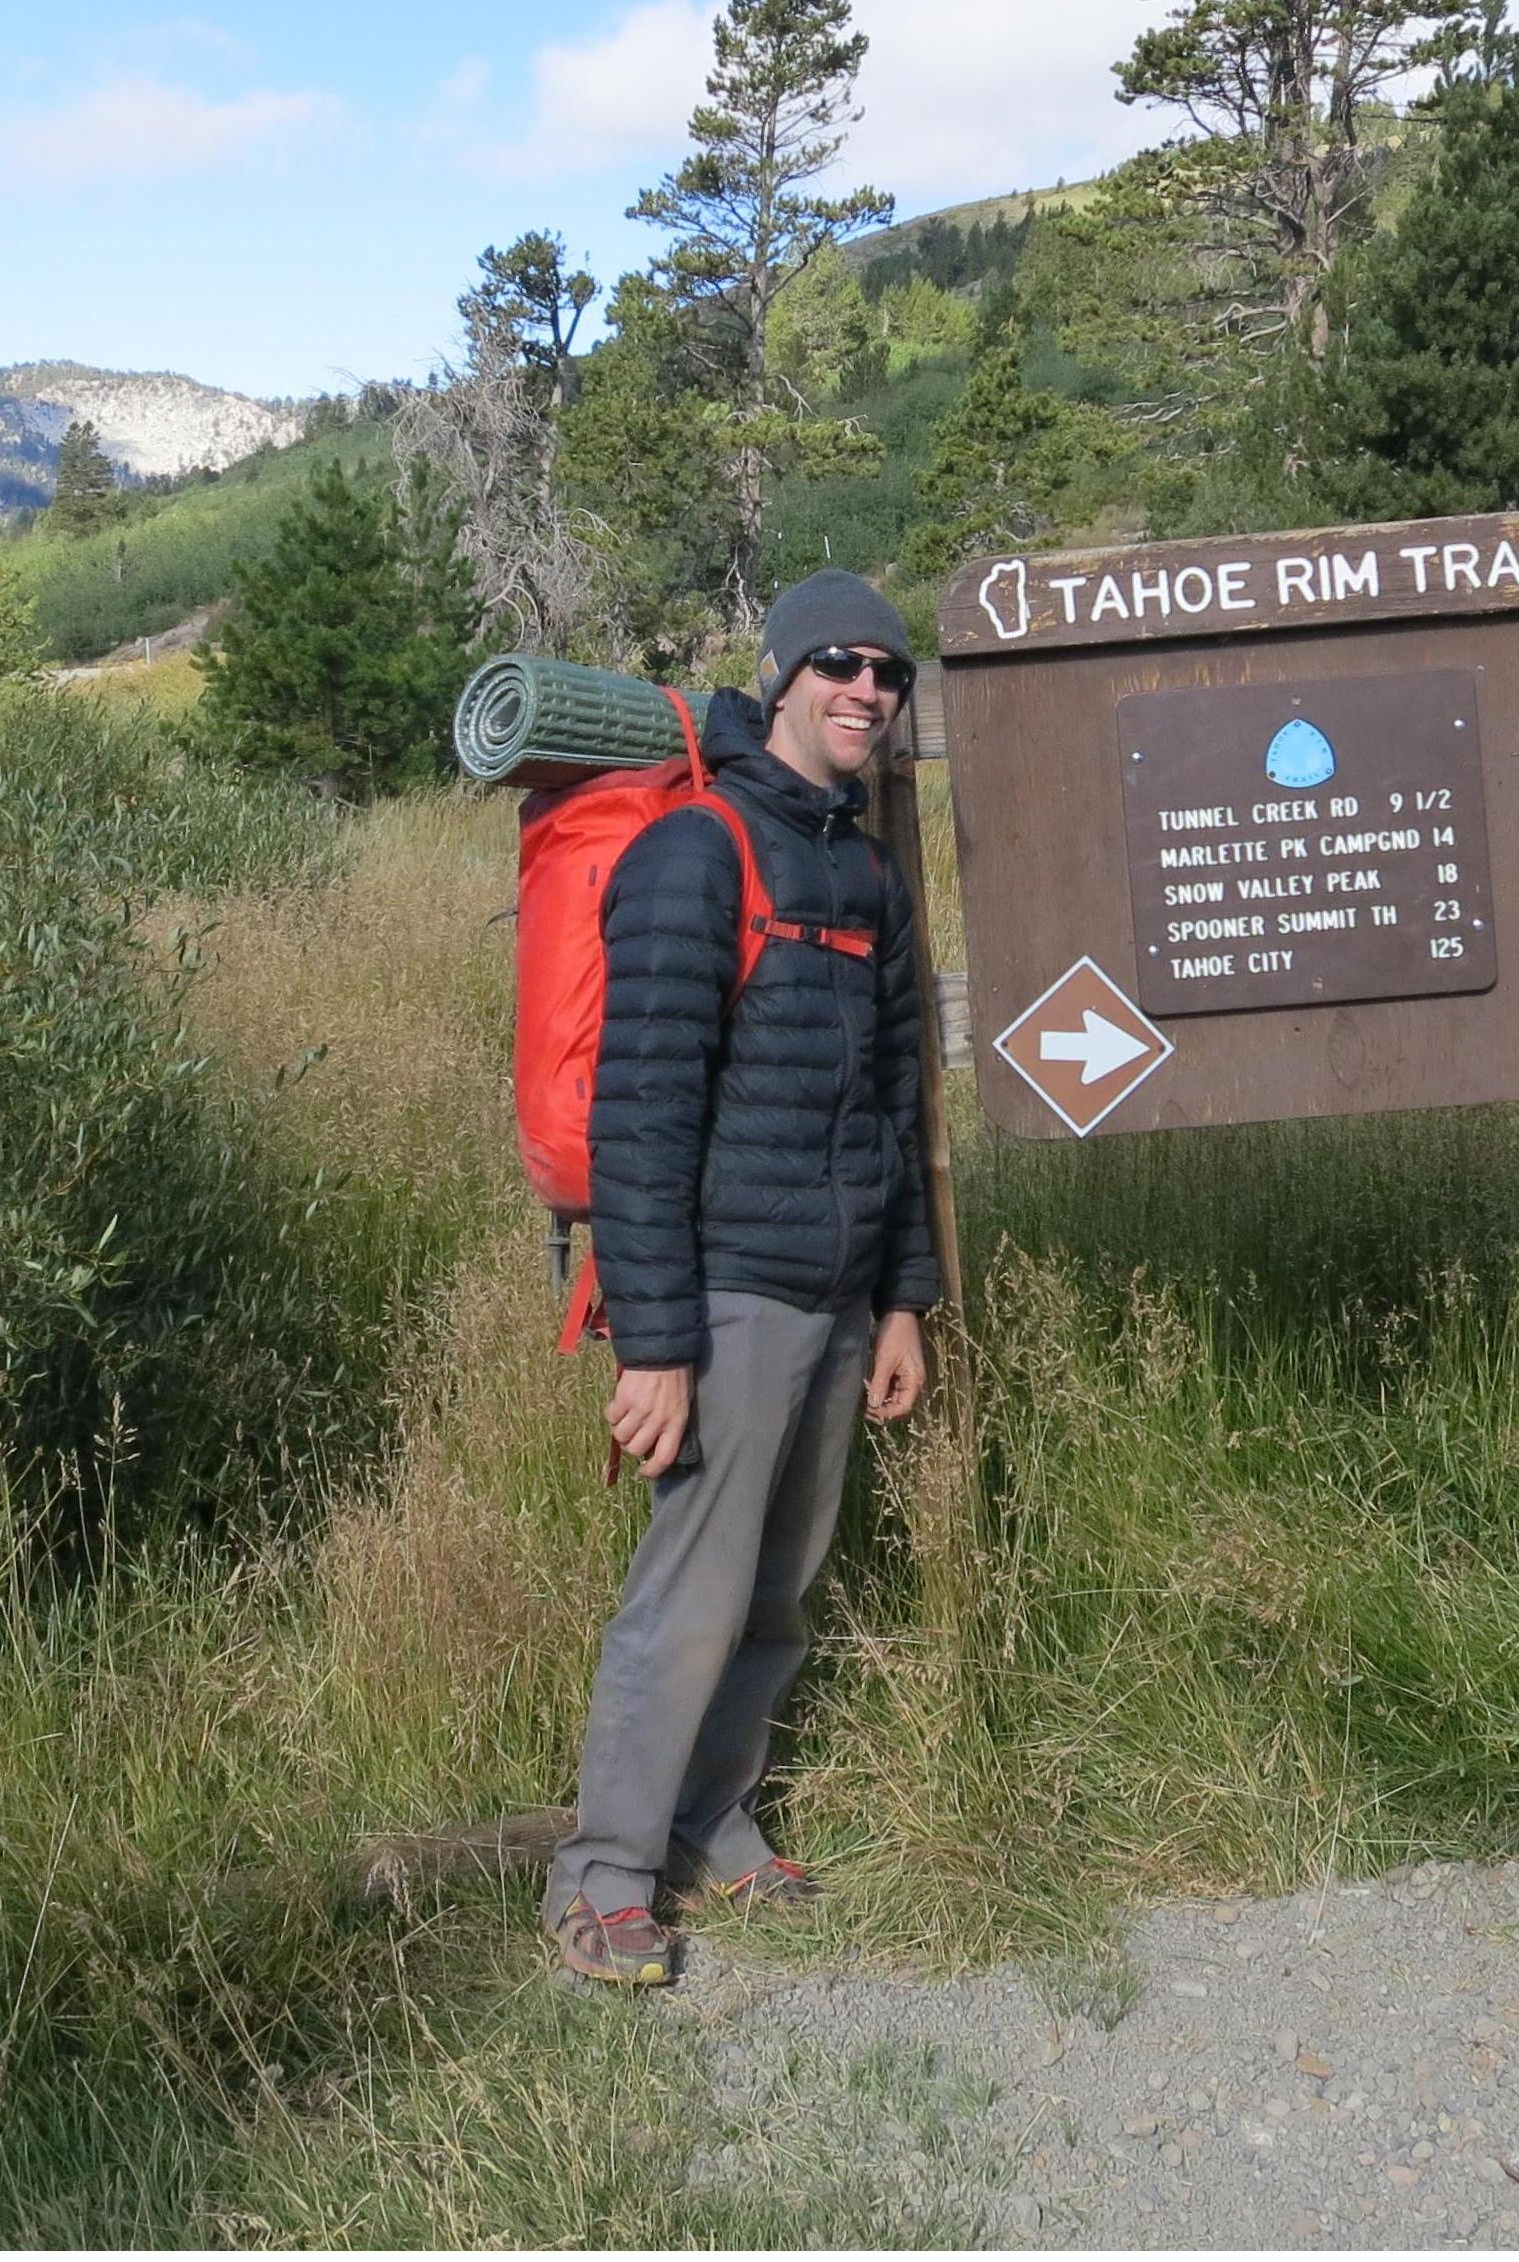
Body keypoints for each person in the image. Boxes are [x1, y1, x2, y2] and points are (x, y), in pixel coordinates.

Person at [544, 569, 942, 1988]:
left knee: (778, 1590)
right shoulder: (694, 852)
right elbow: (638, 1121)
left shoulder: (862, 869)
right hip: (723, 1301)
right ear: (778, 677)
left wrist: (902, 1300)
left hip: (836, 1299)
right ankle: (600, 1874)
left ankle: (712, 1820)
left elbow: (893, 1103)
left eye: (889, 672)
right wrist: (653, 1343)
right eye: (839, 663)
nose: (867, 690)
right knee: (690, 1593)